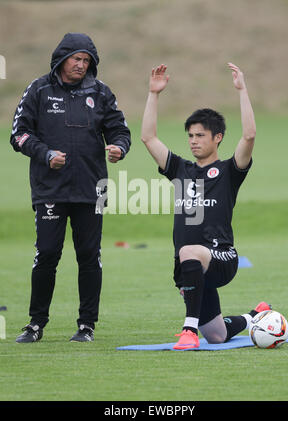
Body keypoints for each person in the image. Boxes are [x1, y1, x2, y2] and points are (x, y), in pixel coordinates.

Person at [11, 33, 131, 343]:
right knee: (47, 254)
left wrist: (119, 146)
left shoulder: (101, 93)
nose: (81, 65)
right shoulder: (38, 89)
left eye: (86, 60)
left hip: (93, 189)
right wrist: (45, 154)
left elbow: (120, 130)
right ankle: (36, 324)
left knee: (90, 255)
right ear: (62, 59)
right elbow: (19, 135)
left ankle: (86, 326)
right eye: (76, 59)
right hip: (49, 189)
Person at [141, 63, 271, 350]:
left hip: (222, 258)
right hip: (188, 266)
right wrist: (154, 94)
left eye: (200, 135)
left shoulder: (229, 171)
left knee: (189, 252)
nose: (193, 141)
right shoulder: (180, 169)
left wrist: (242, 90)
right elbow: (148, 138)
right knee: (216, 334)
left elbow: (249, 135)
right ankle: (254, 316)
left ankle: (188, 332)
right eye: (190, 135)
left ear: (218, 138)